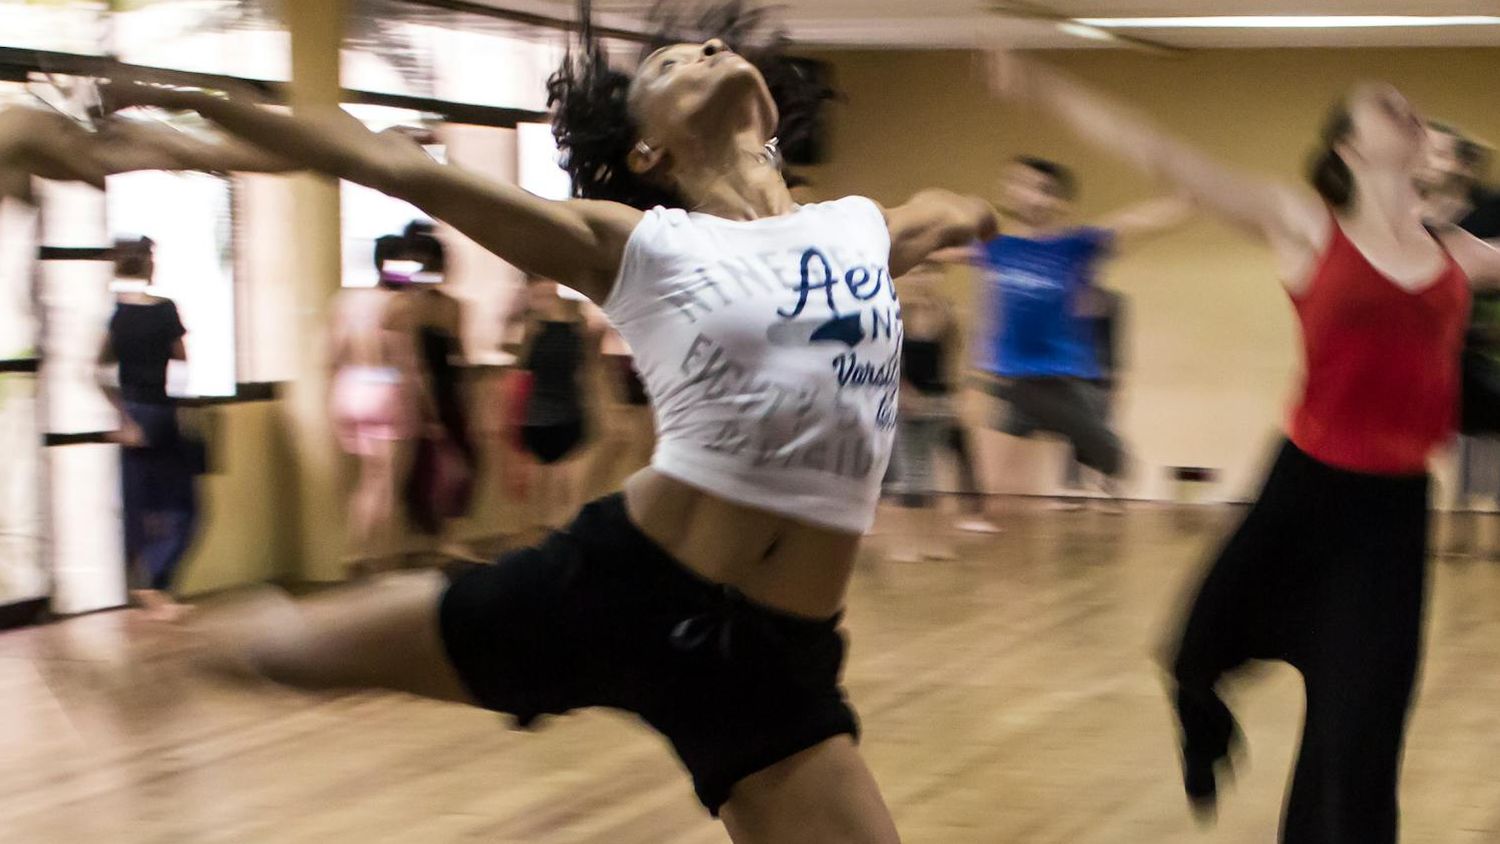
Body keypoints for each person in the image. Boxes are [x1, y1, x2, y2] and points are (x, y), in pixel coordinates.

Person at [110, 4, 997, 839]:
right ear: (648, 150)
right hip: (617, 587)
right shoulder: (638, 243)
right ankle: (158, 665)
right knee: (300, 652)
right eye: (669, 61)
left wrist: (993, 217)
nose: (703, 52)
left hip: (768, 655)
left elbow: (955, 210)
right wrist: (189, 101)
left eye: (711, 47)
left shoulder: (856, 228)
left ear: (770, 110)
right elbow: (395, 162)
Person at [990, 55, 1500, 842]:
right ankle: (1207, 731)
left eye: (1409, 104)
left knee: (1360, 731)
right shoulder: (1302, 223)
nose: (1405, 107)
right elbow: (1166, 155)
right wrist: (1045, 87)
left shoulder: (1461, 254)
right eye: (1381, 105)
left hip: (1393, 516)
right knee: (1195, 653)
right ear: (1349, 149)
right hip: (1304, 492)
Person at [955, 157, 1187, 510]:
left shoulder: (1074, 246)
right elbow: (940, 250)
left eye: (1041, 190)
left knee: (1115, 461)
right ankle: (983, 516)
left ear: (1060, 202)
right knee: (999, 472)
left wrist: (1187, 200)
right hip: (1010, 377)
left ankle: (1103, 466)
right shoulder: (998, 248)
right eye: (1018, 184)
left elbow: (1134, 222)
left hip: (1061, 377)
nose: (1028, 196)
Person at [98, 237, 201, 622]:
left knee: (139, 505)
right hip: (161, 409)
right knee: (183, 506)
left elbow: (99, 369)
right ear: (149, 267)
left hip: (134, 412)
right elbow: (181, 361)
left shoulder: (117, 316)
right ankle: (155, 584)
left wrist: (123, 418)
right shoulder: (164, 311)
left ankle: (144, 584)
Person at [1419, 122, 1500, 556]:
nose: (1439, 164)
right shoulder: (1418, 210)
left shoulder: (1490, 205)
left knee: (1488, 437)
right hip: (1438, 339)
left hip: (1485, 337)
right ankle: (1458, 529)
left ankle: (1485, 530)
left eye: (1449, 155)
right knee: (1451, 439)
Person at [883, 260, 999, 562]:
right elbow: (888, 360)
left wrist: (959, 396)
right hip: (905, 403)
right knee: (910, 476)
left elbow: (956, 357)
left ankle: (931, 543)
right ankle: (904, 544)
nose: (924, 280)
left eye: (931, 273)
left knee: (932, 477)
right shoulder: (895, 312)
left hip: (939, 401)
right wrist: (904, 394)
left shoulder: (947, 314)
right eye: (918, 273)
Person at [328, 232, 427, 569]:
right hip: (386, 391)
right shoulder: (399, 305)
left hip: (350, 389)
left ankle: (355, 550)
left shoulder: (347, 301)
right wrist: (427, 410)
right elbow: (407, 362)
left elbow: (334, 354)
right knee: (386, 482)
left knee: (369, 479)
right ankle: (379, 559)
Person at [503, 278, 599, 530]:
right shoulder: (539, 325)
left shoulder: (578, 327)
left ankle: (549, 549)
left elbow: (590, 371)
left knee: (559, 493)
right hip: (544, 413)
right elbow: (520, 364)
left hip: (563, 412)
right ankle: (543, 548)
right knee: (545, 494)